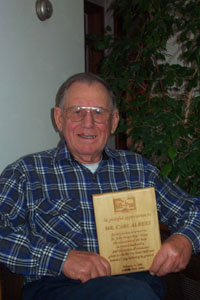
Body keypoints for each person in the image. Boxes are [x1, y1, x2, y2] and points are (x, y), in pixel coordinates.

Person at [0, 72, 200, 300]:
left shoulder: (138, 169)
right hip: (59, 288)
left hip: (139, 284)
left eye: (98, 112)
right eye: (77, 112)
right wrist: (60, 258)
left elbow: (193, 210)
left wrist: (185, 239)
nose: (88, 123)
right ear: (59, 118)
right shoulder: (27, 172)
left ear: (113, 121)